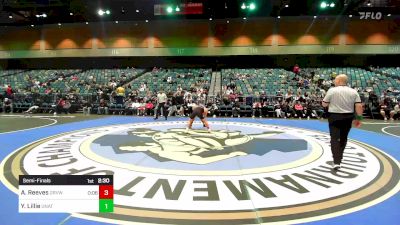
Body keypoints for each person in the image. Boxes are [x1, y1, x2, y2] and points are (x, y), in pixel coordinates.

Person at [322, 74, 363, 170]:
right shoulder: (353, 91)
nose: (334, 81)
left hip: (334, 116)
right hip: (348, 117)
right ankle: (339, 158)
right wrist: (359, 119)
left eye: (335, 80)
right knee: (344, 138)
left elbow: (324, 104)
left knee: (334, 138)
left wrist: (329, 102)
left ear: (340, 80)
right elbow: (359, 106)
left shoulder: (332, 90)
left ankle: (336, 161)